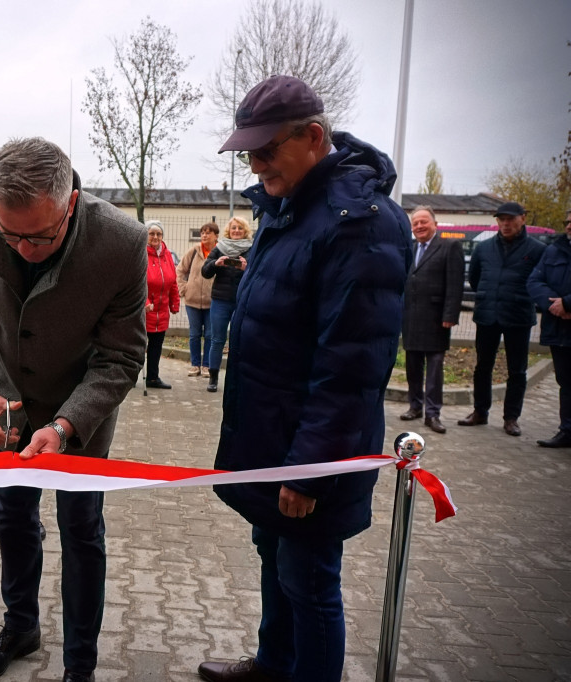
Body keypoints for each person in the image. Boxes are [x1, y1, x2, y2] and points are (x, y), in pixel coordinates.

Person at [199, 75, 410, 682]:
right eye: (249, 153)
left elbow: (353, 365)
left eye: (268, 150)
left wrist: (310, 469)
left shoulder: (360, 224)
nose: (257, 164)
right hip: (273, 438)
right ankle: (274, 664)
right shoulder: (290, 206)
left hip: (312, 451)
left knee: (310, 581)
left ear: (313, 136)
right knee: (274, 553)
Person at [0, 137, 147, 682]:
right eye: (11, 236)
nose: (24, 249)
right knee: (10, 516)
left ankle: (80, 662)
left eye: (41, 236)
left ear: (71, 203)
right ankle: (20, 628)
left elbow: (122, 356)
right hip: (8, 402)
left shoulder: (122, 242)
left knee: (81, 528)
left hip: (82, 409)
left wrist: (65, 423)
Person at [458, 201, 545, 436]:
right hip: (487, 315)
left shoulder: (536, 249)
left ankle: (511, 418)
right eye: (501, 219)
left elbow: (541, 281)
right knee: (482, 367)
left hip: (518, 316)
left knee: (517, 370)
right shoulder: (483, 248)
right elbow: (475, 279)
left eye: (510, 219)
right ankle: (480, 412)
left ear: (523, 219)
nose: (505, 224)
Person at [399, 206, 465, 434]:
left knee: (434, 370)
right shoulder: (410, 248)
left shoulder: (449, 247)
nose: (419, 226)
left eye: (423, 222)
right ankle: (415, 406)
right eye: (415, 223)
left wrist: (450, 316)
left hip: (437, 320)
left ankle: (433, 413)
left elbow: (455, 285)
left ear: (435, 224)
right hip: (411, 319)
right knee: (412, 367)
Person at [527, 209, 571, 447]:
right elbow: (534, 281)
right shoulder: (554, 250)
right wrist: (554, 305)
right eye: (568, 222)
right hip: (558, 329)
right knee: (565, 382)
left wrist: (568, 303)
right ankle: (567, 431)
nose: (569, 226)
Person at [201, 217, 252, 393]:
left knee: (239, 341)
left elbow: (259, 274)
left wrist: (247, 269)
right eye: (233, 228)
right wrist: (216, 263)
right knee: (217, 340)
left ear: (245, 231)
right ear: (228, 231)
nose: (236, 230)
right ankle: (213, 378)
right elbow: (205, 272)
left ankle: (237, 378)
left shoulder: (252, 249)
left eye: (240, 228)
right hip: (220, 301)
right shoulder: (219, 248)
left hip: (241, 301)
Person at [176, 221, 217, 378]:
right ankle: (195, 365)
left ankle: (206, 365)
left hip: (212, 302)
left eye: (208, 232)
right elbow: (180, 270)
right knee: (194, 334)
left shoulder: (219, 252)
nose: (204, 235)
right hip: (192, 301)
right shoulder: (194, 251)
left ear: (216, 236)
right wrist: (184, 289)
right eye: (202, 233)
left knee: (209, 335)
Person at [143, 220, 180, 389]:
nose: (155, 237)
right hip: (145, 310)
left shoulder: (167, 256)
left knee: (156, 347)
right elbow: (137, 282)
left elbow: (172, 281)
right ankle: (129, 378)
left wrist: (175, 303)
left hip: (161, 310)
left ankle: (152, 378)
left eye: (158, 234)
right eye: (151, 233)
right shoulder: (141, 254)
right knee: (137, 347)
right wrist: (145, 302)